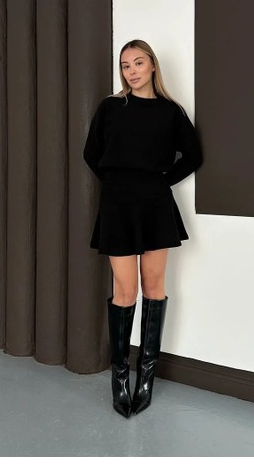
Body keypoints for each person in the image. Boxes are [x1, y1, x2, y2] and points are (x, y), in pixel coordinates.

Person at [83, 39, 202, 418]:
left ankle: (146, 377)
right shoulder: (111, 107)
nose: (131, 71)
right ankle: (120, 379)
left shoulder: (170, 111)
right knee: (124, 291)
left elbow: (193, 155)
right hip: (118, 205)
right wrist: (118, 183)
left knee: (154, 288)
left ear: (152, 66)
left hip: (155, 206)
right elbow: (91, 153)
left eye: (138, 63)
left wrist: (160, 181)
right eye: (125, 65)